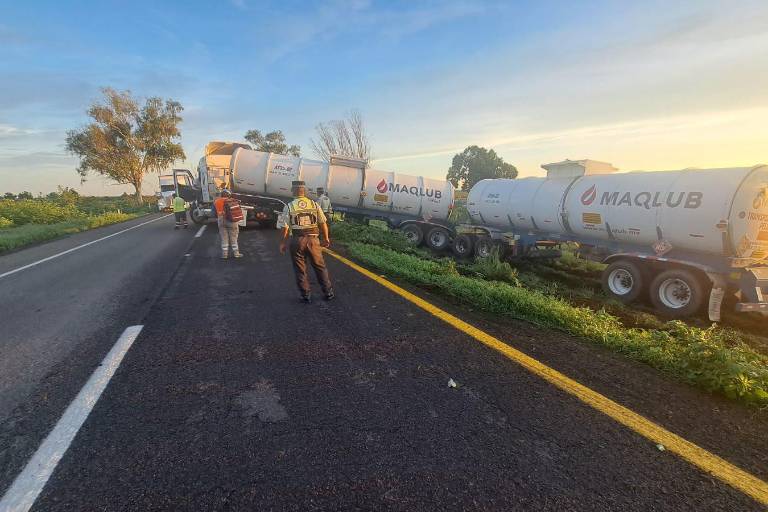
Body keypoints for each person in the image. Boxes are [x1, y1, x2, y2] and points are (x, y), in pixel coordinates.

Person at [279, 181, 334, 303]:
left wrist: (283, 243)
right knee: (320, 267)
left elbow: (285, 227)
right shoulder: (314, 205)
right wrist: (326, 238)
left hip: (297, 241)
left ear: (293, 191)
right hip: (314, 240)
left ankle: (306, 295)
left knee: (300, 268)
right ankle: (328, 292)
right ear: (305, 191)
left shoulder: (289, 206)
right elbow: (322, 223)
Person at [213, 189, 242, 259]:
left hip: (221, 220)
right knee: (233, 237)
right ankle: (236, 253)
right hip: (231, 220)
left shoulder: (216, 202)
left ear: (221, 195)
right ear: (229, 195)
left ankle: (224, 254)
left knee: (224, 238)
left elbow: (213, 213)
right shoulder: (232, 200)